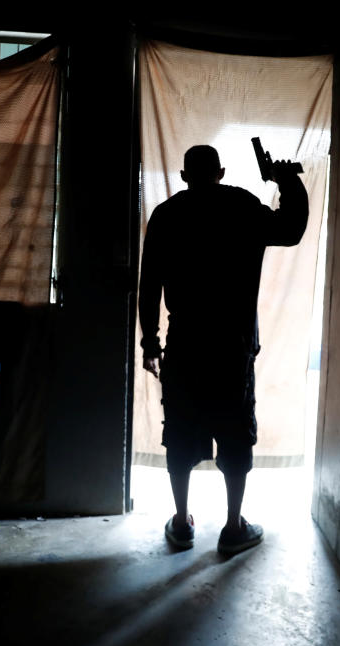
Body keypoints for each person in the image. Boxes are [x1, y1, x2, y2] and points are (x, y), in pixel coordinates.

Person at [138, 144, 309, 554]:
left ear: (184, 176)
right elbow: (292, 228)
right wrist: (287, 180)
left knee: (179, 433)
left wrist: (150, 341)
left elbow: (149, 286)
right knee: (235, 434)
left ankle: (181, 523)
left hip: (185, 344)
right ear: (221, 172)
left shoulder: (167, 215)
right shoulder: (241, 206)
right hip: (232, 347)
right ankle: (233, 527)